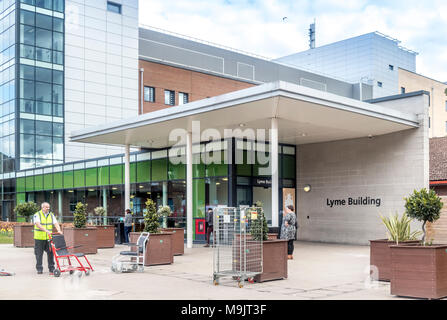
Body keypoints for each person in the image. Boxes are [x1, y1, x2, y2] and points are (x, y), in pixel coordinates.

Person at [33, 202, 61, 275]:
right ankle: (39, 269)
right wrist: (46, 230)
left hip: (49, 238)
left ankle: (51, 269)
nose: (48, 208)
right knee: (39, 254)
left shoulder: (51, 215)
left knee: (51, 253)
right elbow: (38, 224)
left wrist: (59, 230)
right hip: (39, 238)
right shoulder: (37, 215)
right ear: (42, 207)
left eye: (48, 207)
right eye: (46, 207)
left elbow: (56, 223)